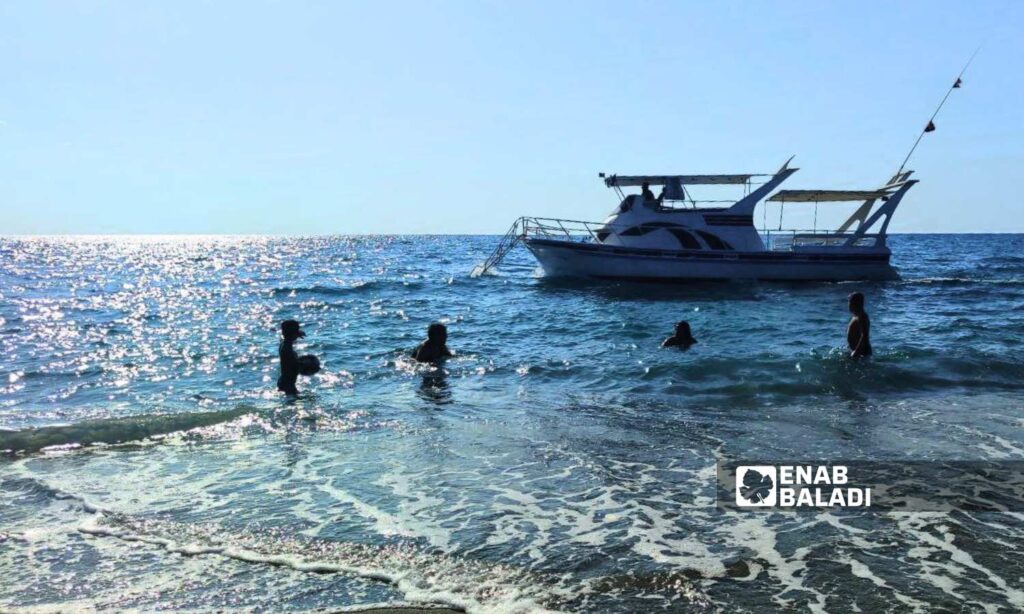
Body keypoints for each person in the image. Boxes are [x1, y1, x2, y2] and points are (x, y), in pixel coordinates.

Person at [277, 319, 305, 395]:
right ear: (293, 333)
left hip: (284, 381)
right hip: (288, 384)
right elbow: (295, 366)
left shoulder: (284, 343)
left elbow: (285, 336)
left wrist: (297, 333)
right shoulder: (287, 349)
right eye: (297, 330)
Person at [847, 292, 872, 358]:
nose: (848, 305)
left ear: (855, 304)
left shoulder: (862, 317)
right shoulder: (855, 316)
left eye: (849, 302)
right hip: (856, 351)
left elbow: (864, 336)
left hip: (862, 352)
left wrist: (856, 352)